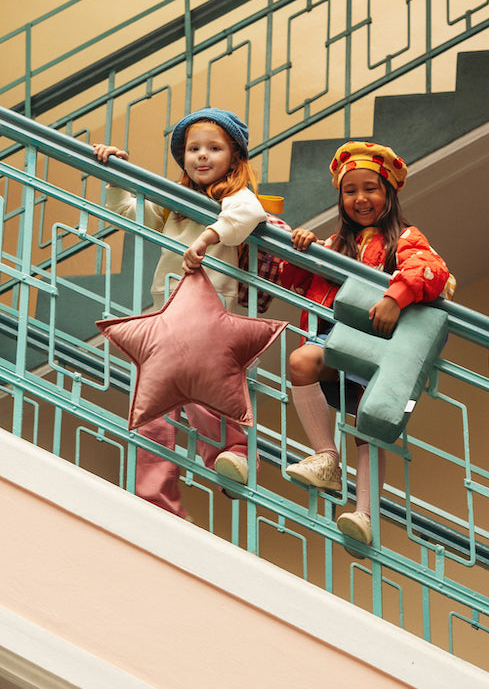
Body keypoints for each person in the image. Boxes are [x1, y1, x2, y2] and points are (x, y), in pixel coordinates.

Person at [280, 141, 454, 551]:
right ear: (340, 198)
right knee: (302, 360)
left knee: (367, 426)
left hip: (379, 349)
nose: (360, 198)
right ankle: (326, 458)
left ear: (389, 194)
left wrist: (395, 297)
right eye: (350, 190)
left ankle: (364, 515)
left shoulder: (406, 237)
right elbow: (294, 280)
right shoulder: (334, 244)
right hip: (334, 341)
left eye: (371, 188)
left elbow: (431, 270)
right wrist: (300, 249)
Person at [93, 108, 266, 518]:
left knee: (209, 402)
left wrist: (207, 238)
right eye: (193, 149)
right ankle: (156, 500)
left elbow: (249, 215)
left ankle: (236, 458)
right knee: (151, 411)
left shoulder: (234, 198)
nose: (201, 156)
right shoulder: (176, 203)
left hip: (211, 320)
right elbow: (133, 214)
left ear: (234, 157)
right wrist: (117, 173)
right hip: (165, 316)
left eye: (213, 148)